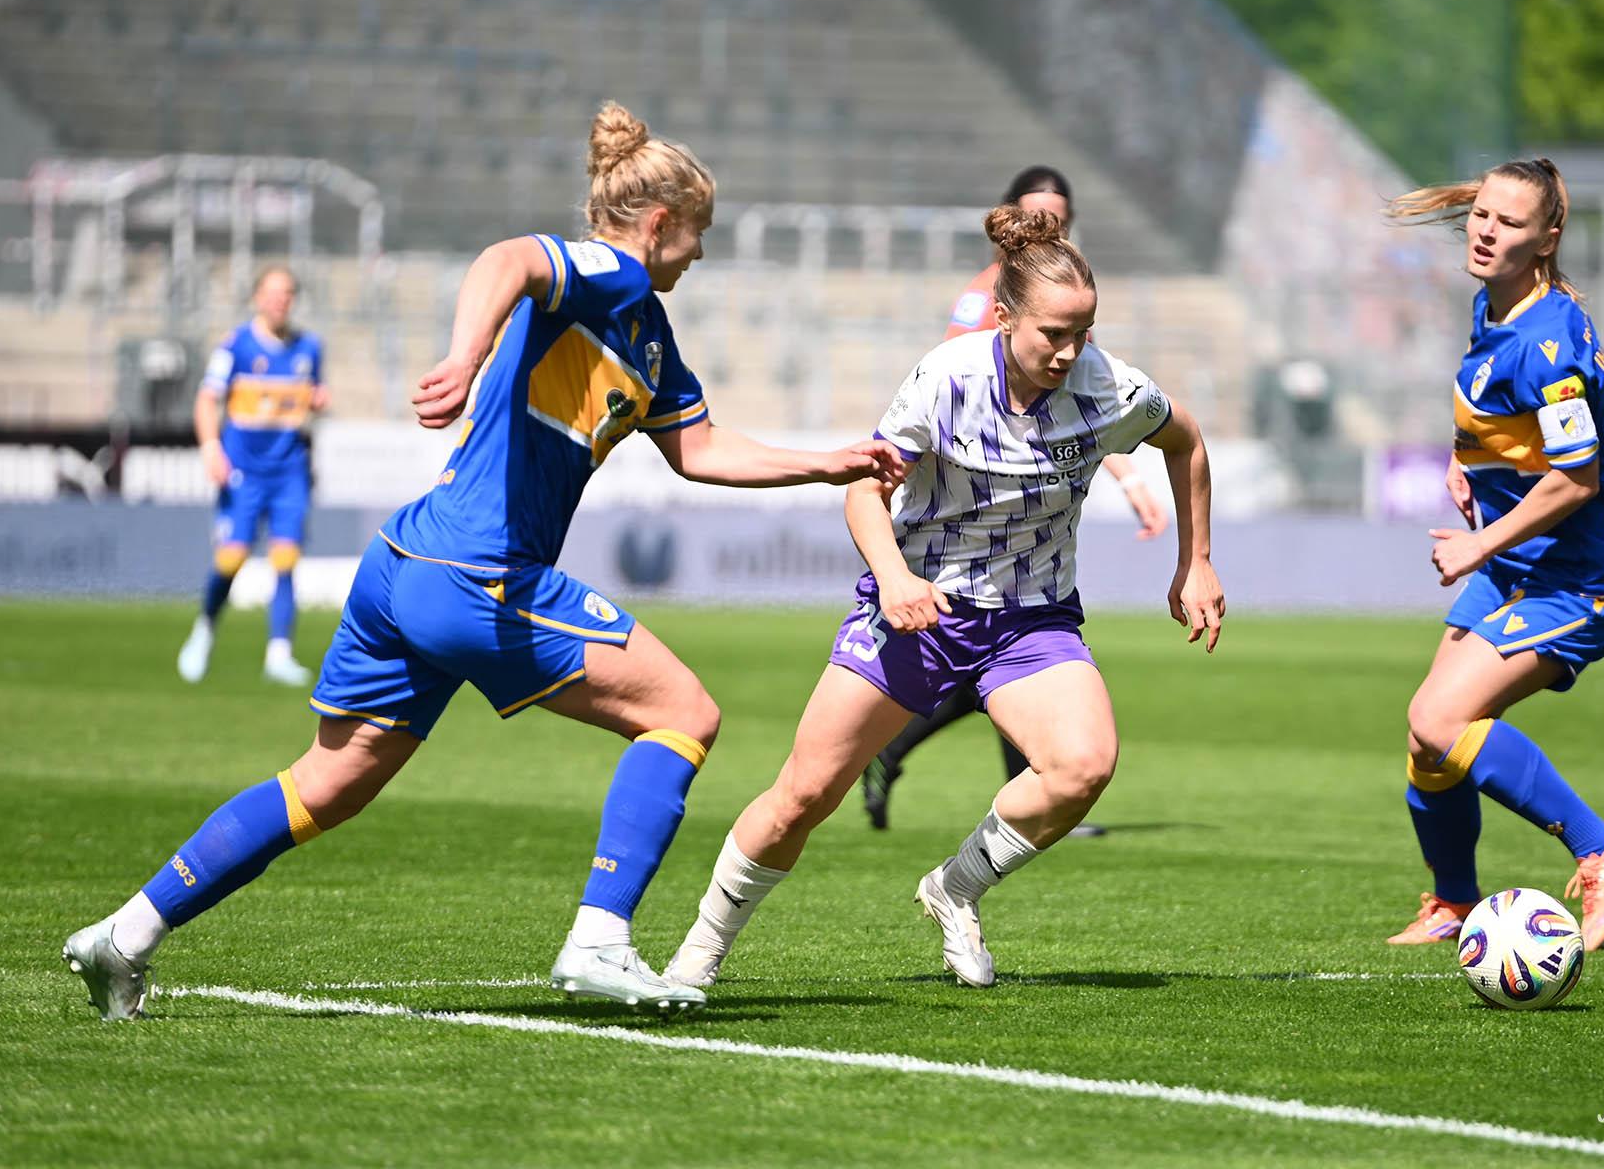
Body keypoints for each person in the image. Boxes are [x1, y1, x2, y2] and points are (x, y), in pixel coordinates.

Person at [62, 101, 903, 1020]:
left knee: (326, 784)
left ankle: (124, 934)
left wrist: (828, 462)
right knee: (682, 713)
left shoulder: (648, 334)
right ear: (660, 222)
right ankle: (600, 939)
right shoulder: (614, 273)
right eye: (698, 231)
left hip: (405, 563)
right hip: (478, 569)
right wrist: (464, 358)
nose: (699, 253)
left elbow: (699, 450)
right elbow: (507, 260)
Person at [663, 204, 1224, 991]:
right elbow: (865, 487)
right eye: (1053, 333)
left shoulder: (1112, 388)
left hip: (1031, 621)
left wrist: (1196, 562)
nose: (1069, 351)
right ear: (1005, 317)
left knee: (1082, 766)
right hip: (917, 611)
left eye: (1083, 332)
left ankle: (956, 887)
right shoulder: (946, 377)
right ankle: (700, 950)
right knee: (804, 795)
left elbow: (1185, 439)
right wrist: (894, 579)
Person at [1382, 157, 1604, 951]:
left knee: (1439, 720)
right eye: (1482, 215)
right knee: (1429, 740)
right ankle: (1455, 901)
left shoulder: (1547, 342)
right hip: (1522, 562)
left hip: (1582, 576)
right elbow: (1504, 420)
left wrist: (1478, 544)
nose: (1486, 231)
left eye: (1509, 222)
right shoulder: (1497, 304)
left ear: (1547, 239)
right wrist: (1466, 458)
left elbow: (1576, 478)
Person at [860, 166, 1168, 835]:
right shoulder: (986, 301)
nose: (1050, 225)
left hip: (1025, 515)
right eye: (1038, 212)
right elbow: (969, 398)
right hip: (966, 512)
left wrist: (1130, 479)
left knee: (1015, 649)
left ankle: (1027, 789)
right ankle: (935, 762)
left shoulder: (1065, 312)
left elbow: (1073, 418)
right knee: (995, 655)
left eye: (1059, 216)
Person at [176, 266, 328, 687]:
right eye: (272, 293)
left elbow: (311, 398)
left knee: (286, 559)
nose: (280, 301)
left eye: (287, 293)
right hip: (243, 471)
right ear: (258, 298)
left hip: (289, 471)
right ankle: (205, 628)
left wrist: (317, 400)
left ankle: (279, 654)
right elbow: (207, 400)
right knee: (232, 557)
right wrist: (211, 448)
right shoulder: (237, 346)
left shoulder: (309, 348)